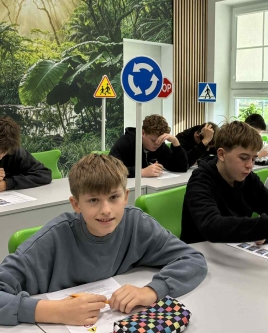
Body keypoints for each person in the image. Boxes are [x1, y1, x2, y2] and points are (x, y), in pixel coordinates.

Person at [0, 154, 207, 326]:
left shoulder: (137, 224)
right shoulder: (50, 241)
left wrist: (151, 291)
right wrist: (55, 311)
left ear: (125, 197)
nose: (106, 210)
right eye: (93, 200)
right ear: (76, 204)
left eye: (114, 197)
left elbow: (192, 259)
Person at [180, 120, 268, 244]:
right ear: (221, 154)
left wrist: (266, 235)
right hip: (198, 253)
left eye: (254, 159)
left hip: (233, 251)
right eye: (243, 158)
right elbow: (212, 227)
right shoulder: (201, 180)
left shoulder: (249, 179)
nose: (250, 165)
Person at [110, 114, 188, 178]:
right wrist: (142, 172)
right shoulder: (126, 141)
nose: (157, 144)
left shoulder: (160, 145)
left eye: (160, 141)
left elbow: (182, 168)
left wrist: (175, 142)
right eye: (153, 140)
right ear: (143, 133)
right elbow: (111, 169)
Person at [0, 116, 52, 191]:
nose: (0, 157)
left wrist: (6, 184)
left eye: (3, 152)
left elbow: (44, 174)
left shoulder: (15, 152)